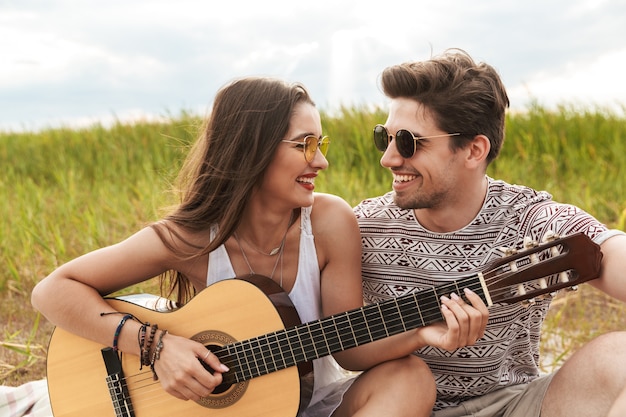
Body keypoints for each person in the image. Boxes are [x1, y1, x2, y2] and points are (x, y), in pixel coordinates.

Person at [30, 76, 445, 417]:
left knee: (411, 378)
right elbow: (51, 291)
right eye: (305, 145)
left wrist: (423, 331)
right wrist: (156, 347)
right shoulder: (191, 238)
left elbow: (349, 348)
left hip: (309, 402)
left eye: (323, 144)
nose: (321, 162)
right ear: (253, 149)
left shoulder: (330, 221)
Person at [353, 49, 626, 417]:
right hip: (399, 404)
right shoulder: (362, 227)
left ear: (473, 150)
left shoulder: (529, 220)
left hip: (515, 405)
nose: (388, 158)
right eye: (382, 138)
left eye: (408, 142)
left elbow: (607, 248)